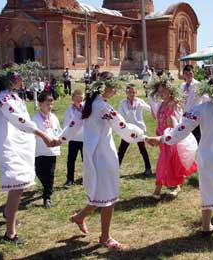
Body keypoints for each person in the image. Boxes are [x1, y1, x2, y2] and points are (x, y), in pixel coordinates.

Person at [146, 76, 213, 238]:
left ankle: (206, 225)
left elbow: (181, 129)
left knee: (207, 188)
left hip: (207, 157)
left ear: (208, 91)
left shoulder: (200, 109)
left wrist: (162, 139)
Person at [58, 72, 144, 250]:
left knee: (101, 194)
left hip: (93, 155)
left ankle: (80, 217)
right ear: (106, 87)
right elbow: (123, 127)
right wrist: (145, 137)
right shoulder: (104, 108)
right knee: (109, 198)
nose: (115, 91)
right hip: (104, 156)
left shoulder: (88, 105)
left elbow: (73, 125)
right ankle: (105, 237)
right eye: (114, 87)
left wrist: (58, 139)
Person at [0, 69, 56, 245]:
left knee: (19, 186)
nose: (22, 78)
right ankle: (10, 234)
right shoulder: (3, 97)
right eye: (19, 76)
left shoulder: (14, 95)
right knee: (17, 186)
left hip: (21, 146)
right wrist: (42, 134)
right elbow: (17, 118)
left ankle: (8, 213)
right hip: (10, 146)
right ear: (10, 78)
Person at [148, 78, 197, 199]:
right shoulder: (161, 104)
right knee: (172, 161)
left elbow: (175, 124)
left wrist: (172, 109)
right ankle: (176, 185)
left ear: (170, 91)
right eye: (159, 91)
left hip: (172, 137)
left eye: (164, 91)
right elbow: (156, 118)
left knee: (165, 161)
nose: (161, 94)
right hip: (162, 136)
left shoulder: (175, 104)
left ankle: (158, 189)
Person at [32, 92, 62, 208]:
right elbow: (31, 133)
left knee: (50, 174)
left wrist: (59, 139)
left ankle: (47, 197)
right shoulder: (34, 119)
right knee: (39, 172)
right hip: (38, 151)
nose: (50, 106)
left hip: (51, 151)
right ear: (40, 104)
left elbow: (58, 131)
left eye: (51, 104)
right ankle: (47, 187)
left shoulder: (54, 117)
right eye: (47, 104)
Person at [117, 83, 152, 177]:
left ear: (136, 92)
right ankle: (115, 169)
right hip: (128, 130)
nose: (132, 94)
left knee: (142, 149)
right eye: (129, 92)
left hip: (139, 129)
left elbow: (149, 108)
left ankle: (148, 168)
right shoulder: (122, 103)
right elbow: (120, 115)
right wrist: (122, 127)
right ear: (126, 92)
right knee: (122, 150)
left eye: (133, 92)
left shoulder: (140, 101)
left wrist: (157, 109)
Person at [180, 64, 210, 142]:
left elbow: (206, 98)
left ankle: (198, 149)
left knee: (196, 134)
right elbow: (181, 98)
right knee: (187, 134)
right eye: (186, 73)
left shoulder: (198, 85)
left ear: (193, 73)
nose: (188, 75)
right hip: (186, 113)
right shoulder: (182, 86)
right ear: (183, 74)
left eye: (190, 73)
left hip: (195, 113)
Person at [63, 89, 84, 186]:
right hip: (74, 139)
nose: (79, 101)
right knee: (71, 160)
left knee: (86, 160)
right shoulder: (69, 110)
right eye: (77, 99)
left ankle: (87, 177)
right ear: (73, 99)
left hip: (85, 139)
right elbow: (66, 125)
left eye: (81, 99)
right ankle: (70, 179)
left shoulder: (86, 109)